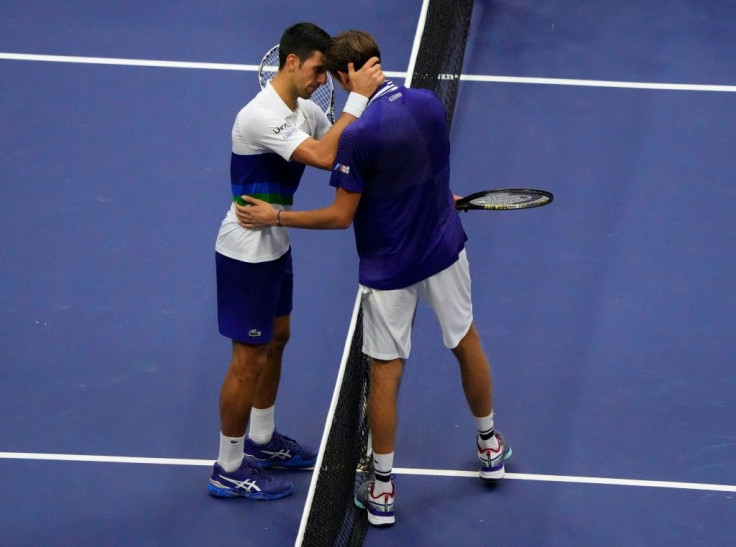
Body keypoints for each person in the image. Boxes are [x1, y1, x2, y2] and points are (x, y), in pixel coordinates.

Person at [236, 30, 511, 524]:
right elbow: (431, 169)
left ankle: (382, 490)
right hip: (444, 247)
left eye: (332, 77)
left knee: (384, 375)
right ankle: (490, 443)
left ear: (346, 77)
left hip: (389, 269)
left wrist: (276, 218)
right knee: (467, 342)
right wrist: (433, 202)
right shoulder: (428, 103)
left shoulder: (358, 136)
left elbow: (340, 216)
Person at [209, 22, 384, 500]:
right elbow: (326, 157)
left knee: (278, 339)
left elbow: (350, 146)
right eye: (318, 69)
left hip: (275, 241)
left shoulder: (305, 109)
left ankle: (262, 441)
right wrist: (356, 100)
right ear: (291, 62)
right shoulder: (260, 115)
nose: (323, 80)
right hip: (245, 251)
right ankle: (228, 466)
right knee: (248, 360)